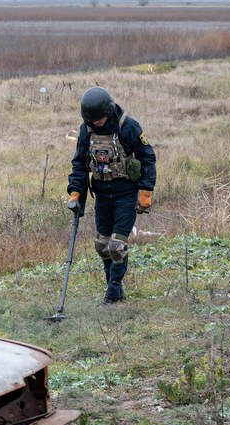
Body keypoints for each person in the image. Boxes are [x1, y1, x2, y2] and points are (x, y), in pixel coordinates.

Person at [66, 86, 157, 306]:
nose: (94, 124)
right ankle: (115, 290)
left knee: (117, 246)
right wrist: (76, 193)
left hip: (125, 194)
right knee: (103, 245)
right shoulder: (87, 130)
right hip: (102, 195)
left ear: (107, 112)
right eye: (90, 121)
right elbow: (79, 165)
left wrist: (145, 191)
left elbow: (148, 158)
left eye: (97, 120)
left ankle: (112, 294)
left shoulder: (129, 128)